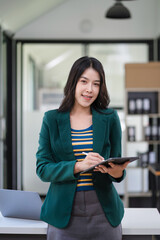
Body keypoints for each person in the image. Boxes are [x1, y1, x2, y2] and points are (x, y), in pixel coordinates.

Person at [36, 56, 129, 240]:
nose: (90, 89)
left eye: (96, 84)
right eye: (84, 81)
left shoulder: (110, 118)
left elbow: (117, 167)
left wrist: (117, 172)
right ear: (73, 83)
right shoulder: (52, 119)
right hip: (63, 214)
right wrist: (78, 166)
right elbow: (42, 168)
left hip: (104, 212)